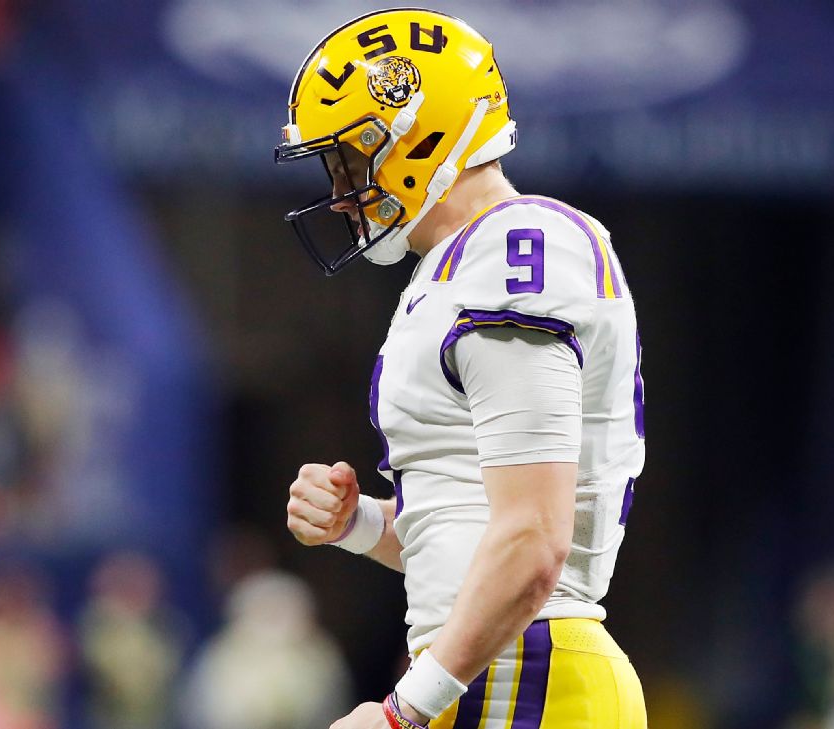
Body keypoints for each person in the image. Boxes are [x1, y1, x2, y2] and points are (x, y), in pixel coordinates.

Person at [275, 8, 647, 729]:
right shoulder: (449, 269)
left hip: (529, 672)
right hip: (497, 666)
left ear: (417, 136)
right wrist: (360, 523)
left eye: (349, 160)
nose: (341, 190)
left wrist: (403, 711)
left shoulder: (517, 248)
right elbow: (473, 533)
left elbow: (534, 541)